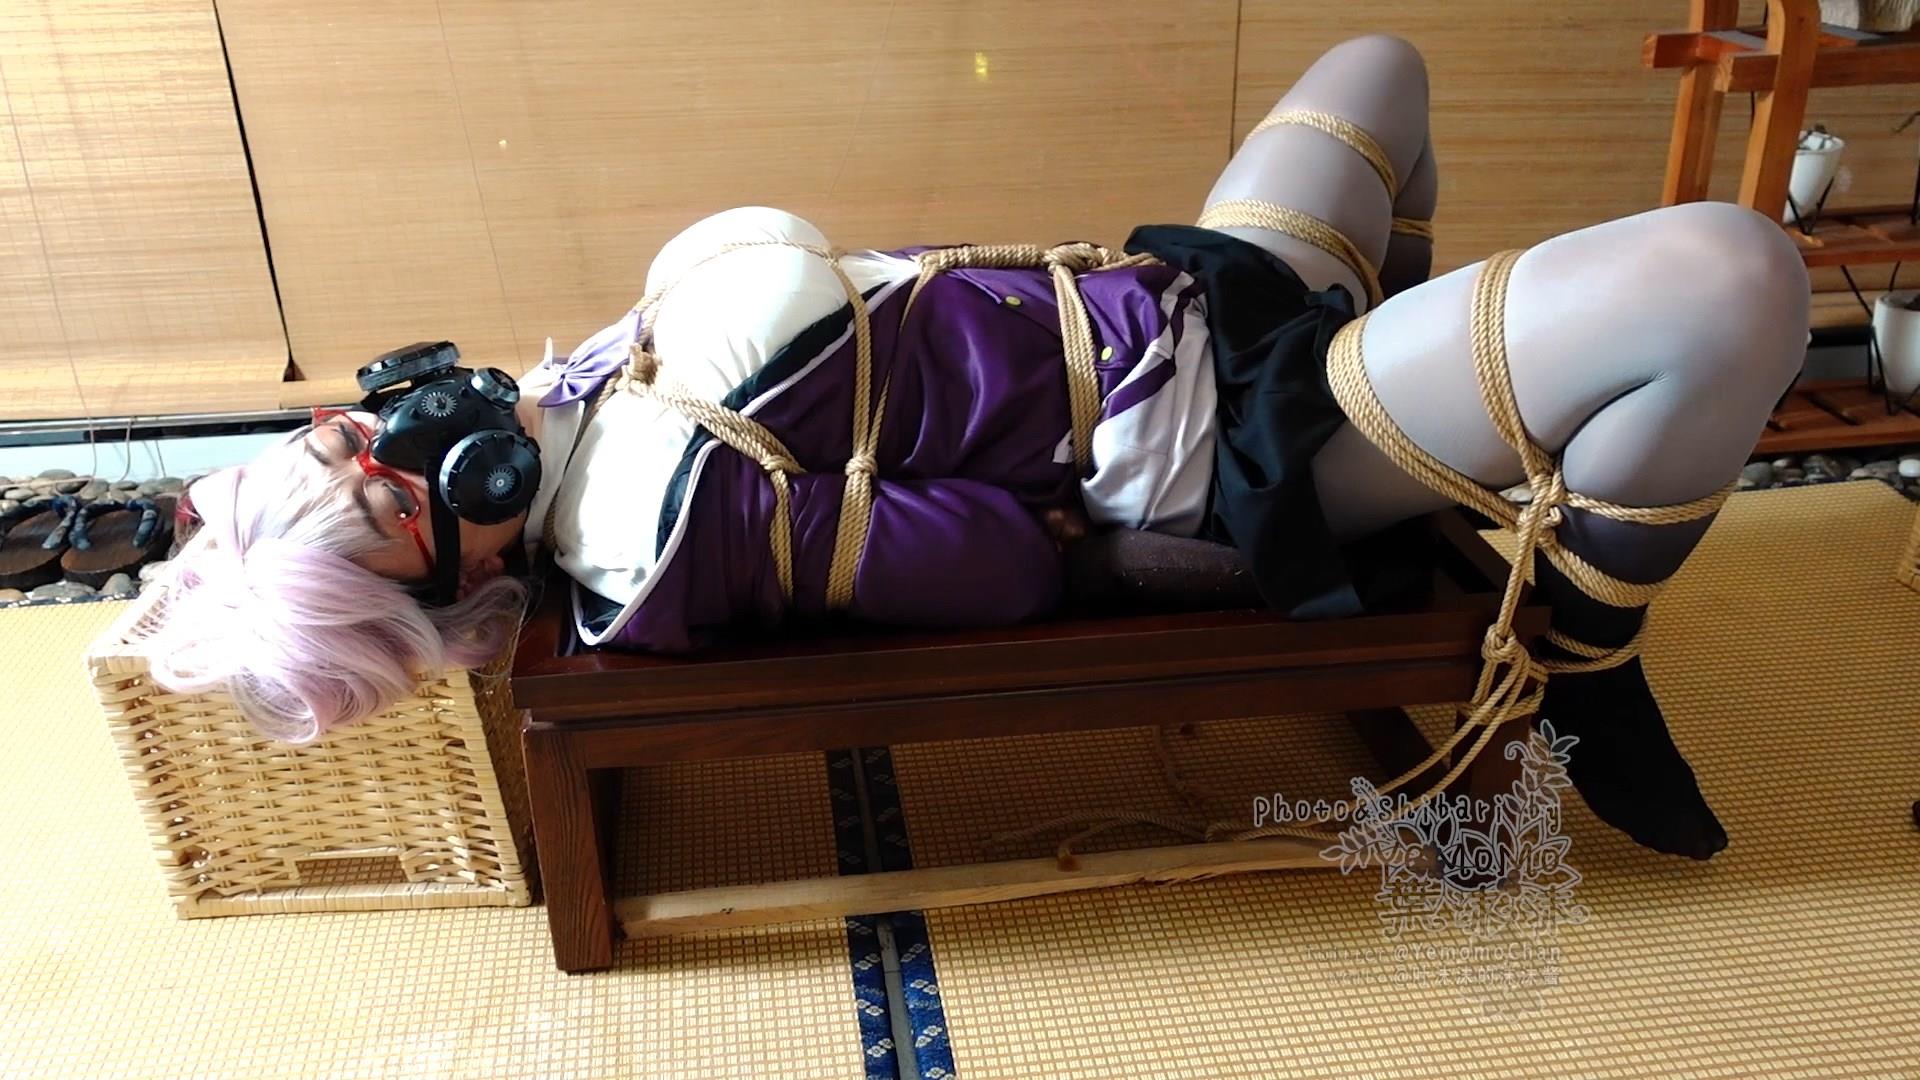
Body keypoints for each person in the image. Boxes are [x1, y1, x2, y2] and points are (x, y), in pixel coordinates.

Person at [142, 36, 1809, 861]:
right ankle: (1581, 648)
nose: (399, 436)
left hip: (1179, 297)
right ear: (458, 563)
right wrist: (1109, 535)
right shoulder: (661, 528)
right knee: (1733, 277)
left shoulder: (568, 397)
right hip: (1224, 436)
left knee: (1381, 68)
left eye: (347, 434)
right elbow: (1001, 564)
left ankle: (1458, 428)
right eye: (385, 500)